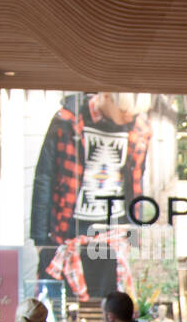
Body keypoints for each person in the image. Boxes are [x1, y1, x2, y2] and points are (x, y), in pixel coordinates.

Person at [29, 92, 150, 301]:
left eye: (134, 113)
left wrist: (135, 231)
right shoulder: (67, 121)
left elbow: (136, 182)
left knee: (112, 303)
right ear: (106, 96)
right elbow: (44, 177)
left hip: (114, 231)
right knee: (65, 302)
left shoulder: (139, 128)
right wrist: (40, 239)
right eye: (123, 111)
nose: (128, 118)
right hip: (69, 229)